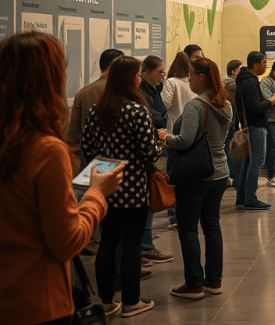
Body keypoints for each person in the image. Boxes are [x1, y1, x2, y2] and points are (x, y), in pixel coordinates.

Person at [0, 32, 125, 325]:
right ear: (48, 80)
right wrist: (96, 194)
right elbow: (67, 241)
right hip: (38, 304)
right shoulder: (45, 149)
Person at [82, 55, 162, 318]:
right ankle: (131, 301)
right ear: (131, 78)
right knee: (131, 245)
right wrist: (160, 144)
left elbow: (87, 149)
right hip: (133, 188)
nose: (140, 77)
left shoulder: (97, 109)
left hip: (105, 186)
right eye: (138, 74)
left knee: (107, 242)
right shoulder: (137, 110)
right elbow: (149, 153)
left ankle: (105, 301)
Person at [158, 57, 233, 299]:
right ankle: (214, 280)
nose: (188, 79)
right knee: (212, 225)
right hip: (219, 172)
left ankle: (194, 283)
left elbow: (185, 141)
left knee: (188, 227)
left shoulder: (195, 106)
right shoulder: (225, 104)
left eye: (191, 75)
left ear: (202, 77)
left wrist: (165, 136)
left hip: (195, 175)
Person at [65, 48, 124, 175]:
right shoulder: (124, 92)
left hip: (90, 161)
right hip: (120, 164)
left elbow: (73, 134)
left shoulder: (83, 92)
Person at [235, 51, 275, 210]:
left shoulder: (245, 80)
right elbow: (255, 107)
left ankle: (242, 196)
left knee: (248, 161)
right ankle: (250, 198)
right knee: (256, 162)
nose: (265, 67)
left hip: (250, 125)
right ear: (255, 65)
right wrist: (272, 100)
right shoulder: (250, 83)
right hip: (255, 126)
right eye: (264, 63)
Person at [137, 55, 173, 264]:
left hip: (157, 148)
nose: (162, 76)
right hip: (148, 153)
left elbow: (161, 114)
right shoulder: (140, 92)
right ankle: (144, 246)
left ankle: (145, 242)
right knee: (150, 193)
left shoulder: (154, 89)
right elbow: (155, 116)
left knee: (155, 189)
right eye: (160, 72)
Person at [161, 51, 196, 228]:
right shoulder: (193, 83)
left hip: (173, 131)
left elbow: (165, 105)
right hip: (192, 132)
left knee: (172, 175)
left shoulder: (171, 83)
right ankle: (188, 214)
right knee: (189, 175)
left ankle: (174, 216)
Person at [223, 59, 242, 187]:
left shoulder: (231, 84)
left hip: (233, 119)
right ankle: (232, 176)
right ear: (233, 71)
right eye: (240, 69)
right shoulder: (232, 84)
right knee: (230, 149)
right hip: (231, 120)